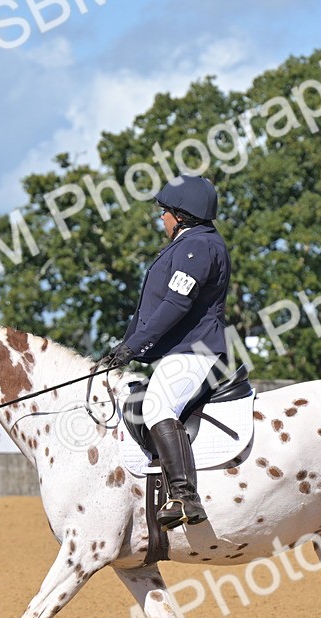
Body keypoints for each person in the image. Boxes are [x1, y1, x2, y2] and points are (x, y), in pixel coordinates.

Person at [95, 175, 231, 529]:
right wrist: (121, 348)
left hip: (197, 351)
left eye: (165, 212)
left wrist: (134, 347)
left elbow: (175, 304)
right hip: (180, 352)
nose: (161, 218)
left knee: (158, 405)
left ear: (181, 215)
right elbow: (149, 310)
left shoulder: (197, 247)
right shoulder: (188, 244)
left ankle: (185, 496)